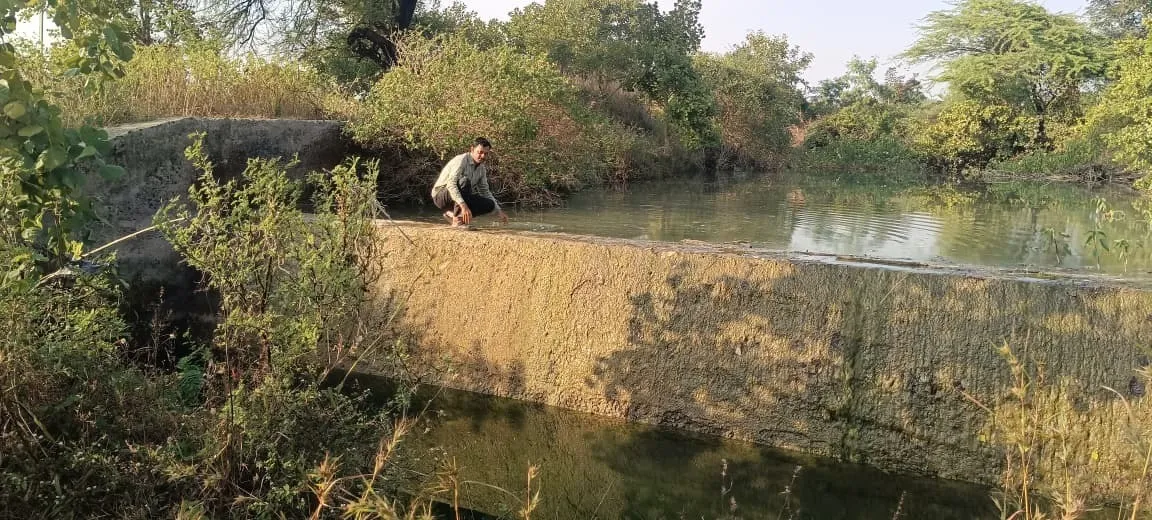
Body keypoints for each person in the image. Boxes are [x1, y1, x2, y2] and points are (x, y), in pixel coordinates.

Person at [431, 137, 508, 226]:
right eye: (480, 152)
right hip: (440, 196)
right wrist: (464, 206)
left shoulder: (481, 168)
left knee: (489, 204)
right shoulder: (461, 160)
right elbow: (451, 185)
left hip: (458, 198)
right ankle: (457, 219)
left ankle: (454, 216)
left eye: (486, 154)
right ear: (472, 149)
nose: (483, 156)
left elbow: (485, 191)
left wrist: (499, 212)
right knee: (464, 181)